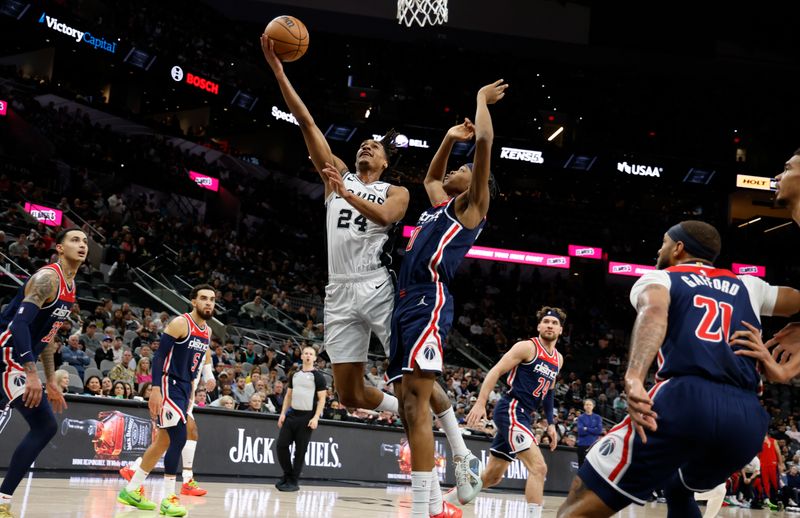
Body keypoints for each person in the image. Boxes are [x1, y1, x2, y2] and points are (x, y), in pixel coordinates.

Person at [262, 33, 483, 498]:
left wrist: (344, 193)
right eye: (361, 145)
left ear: (385, 163)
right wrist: (279, 70)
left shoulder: (395, 192)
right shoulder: (335, 177)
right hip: (338, 291)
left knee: (418, 383)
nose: (365, 148)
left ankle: (460, 451)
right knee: (349, 394)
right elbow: (306, 121)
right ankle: (411, 413)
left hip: (380, 287)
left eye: (374, 148)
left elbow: (384, 217)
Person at [556, 220, 800, 518]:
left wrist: (633, 377)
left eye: (663, 242)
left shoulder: (661, 278)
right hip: (746, 418)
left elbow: (654, 312)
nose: (659, 249)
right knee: (677, 484)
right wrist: (791, 355)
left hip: (686, 398)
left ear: (678, 248)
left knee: (577, 507)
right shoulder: (748, 285)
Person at [382, 80, 507, 518]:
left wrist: (479, 100)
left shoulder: (471, 207)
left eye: (465, 168)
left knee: (416, 403)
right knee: (406, 402)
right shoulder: (439, 204)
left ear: (476, 183)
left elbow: (487, 141)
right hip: (404, 301)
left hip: (427, 300)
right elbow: (432, 177)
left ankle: (422, 509)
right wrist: (450, 138)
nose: (457, 170)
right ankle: (443, 488)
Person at [0, 228, 87, 517]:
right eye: (74, 240)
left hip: (19, 358)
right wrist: (32, 373)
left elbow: (46, 337)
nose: (82, 244)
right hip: (6, 354)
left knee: (45, 426)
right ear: (59, 248)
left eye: (85, 241)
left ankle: (3, 500)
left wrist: (50, 380)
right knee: (44, 425)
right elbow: (20, 326)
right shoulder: (47, 278)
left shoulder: (71, 289)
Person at [116, 285, 214, 517]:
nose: (208, 303)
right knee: (179, 437)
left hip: (186, 388)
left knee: (162, 442)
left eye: (211, 299)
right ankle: (169, 498)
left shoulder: (207, 331)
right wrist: (157, 388)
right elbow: (159, 356)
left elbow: (204, 355)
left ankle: (130, 490)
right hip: (170, 385)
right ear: (193, 301)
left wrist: (207, 377)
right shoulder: (181, 323)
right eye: (203, 298)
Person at [462, 307, 563, 518]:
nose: (549, 325)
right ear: (539, 326)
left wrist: (551, 423)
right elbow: (496, 370)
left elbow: (550, 392)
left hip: (526, 416)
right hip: (511, 409)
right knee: (539, 468)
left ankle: (445, 501)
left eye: (554, 323)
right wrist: (481, 402)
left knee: (491, 477)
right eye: (546, 321)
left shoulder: (558, 359)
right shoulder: (527, 347)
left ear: (560, 330)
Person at [275, 345, 328, 491]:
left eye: (311, 354)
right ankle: (288, 474)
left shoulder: (318, 377)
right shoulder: (295, 375)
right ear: (302, 356)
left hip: (307, 417)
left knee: (300, 450)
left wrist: (316, 417)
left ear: (315, 358)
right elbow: (288, 395)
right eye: (306, 353)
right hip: (292, 414)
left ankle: (294, 481)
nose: (308, 356)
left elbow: (322, 399)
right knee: (281, 446)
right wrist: (283, 414)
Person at [576, 399, 603, 467]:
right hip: (582, 444)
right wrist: (593, 429)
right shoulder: (580, 417)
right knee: (581, 465)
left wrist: (586, 428)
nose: (588, 406)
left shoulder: (598, 417)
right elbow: (580, 431)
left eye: (590, 405)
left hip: (594, 444)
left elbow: (599, 430)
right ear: (584, 406)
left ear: (593, 406)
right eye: (586, 404)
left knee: (593, 466)